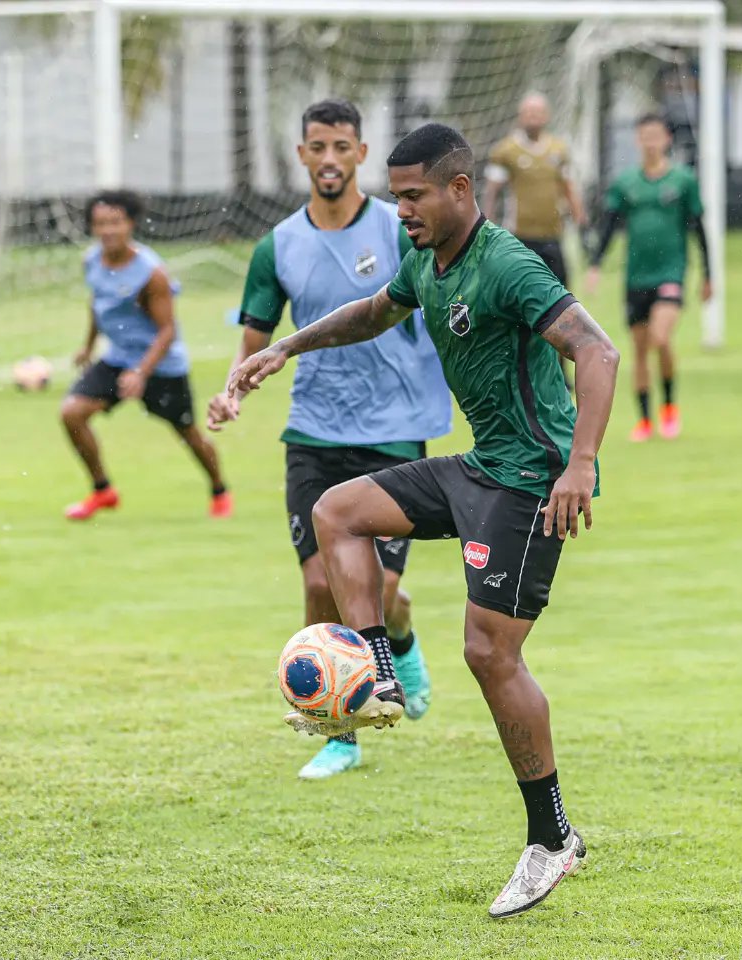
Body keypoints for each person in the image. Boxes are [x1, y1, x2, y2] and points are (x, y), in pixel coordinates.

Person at [225, 123, 620, 919]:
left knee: (488, 653)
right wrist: (283, 349)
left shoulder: (506, 263)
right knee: (337, 511)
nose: (399, 208)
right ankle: (376, 671)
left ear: (459, 190)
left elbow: (598, 351)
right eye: (397, 195)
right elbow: (373, 312)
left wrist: (579, 466)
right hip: (481, 466)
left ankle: (552, 839)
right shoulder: (426, 262)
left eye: (413, 195)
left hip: (530, 480)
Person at [207, 99, 449, 781]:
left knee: (381, 593)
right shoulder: (277, 246)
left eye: (343, 146)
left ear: (362, 154)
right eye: (318, 147)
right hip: (314, 430)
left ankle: (398, 637)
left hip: (394, 431)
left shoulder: (398, 230)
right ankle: (337, 729)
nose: (331, 159)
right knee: (319, 582)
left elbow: (436, 314)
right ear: (302, 155)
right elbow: (255, 341)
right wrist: (232, 391)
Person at [61, 190, 231, 520]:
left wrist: (141, 372)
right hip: (118, 359)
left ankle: (219, 490)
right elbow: (97, 305)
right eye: (100, 223)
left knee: (188, 434)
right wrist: (88, 345)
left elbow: (168, 331)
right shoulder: (91, 261)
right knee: (72, 413)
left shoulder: (151, 273)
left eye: (115, 222)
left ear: (131, 224)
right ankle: (103, 490)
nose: (107, 230)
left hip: (162, 366)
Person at [586, 113, 711, 442]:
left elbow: (699, 228)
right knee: (639, 350)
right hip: (636, 277)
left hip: (671, 273)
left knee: (661, 338)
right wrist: (596, 264)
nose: (650, 142)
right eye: (644, 136)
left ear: (667, 139)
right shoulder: (627, 183)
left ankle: (669, 407)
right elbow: (610, 225)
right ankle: (644, 420)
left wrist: (709, 274)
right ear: (638, 140)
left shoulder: (683, 181)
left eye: (656, 135)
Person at [483, 92, 587, 290]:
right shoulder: (505, 150)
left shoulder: (558, 149)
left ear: (547, 115)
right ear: (520, 116)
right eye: (529, 112)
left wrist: (580, 218)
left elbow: (568, 186)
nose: (533, 116)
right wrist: (489, 225)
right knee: (520, 292)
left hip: (552, 236)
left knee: (559, 292)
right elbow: (492, 192)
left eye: (538, 112)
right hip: (519, 237)